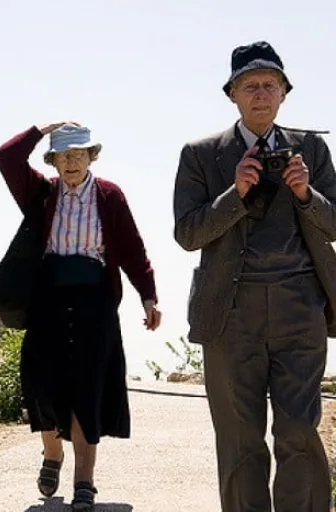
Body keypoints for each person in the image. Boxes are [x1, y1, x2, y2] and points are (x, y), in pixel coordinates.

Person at [173, 40, 336, 512]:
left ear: (284, 93)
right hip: (230, 315)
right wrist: (235, 193)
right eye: (250, 86)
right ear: (233, 95)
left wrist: (307, 194)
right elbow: (187, 234)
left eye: (269, 85)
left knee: (299, 432)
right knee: (240, 440)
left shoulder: (311, 149)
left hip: (300, 309)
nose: (260, 94)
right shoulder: (201, 155)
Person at [0, 122, 161, 510]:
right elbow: (6, 158)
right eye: (63, 156)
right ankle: (52, 453)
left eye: (79, 154)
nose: (71, 163)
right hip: (48, 299)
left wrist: (148, 296)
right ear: (52, 161)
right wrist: (42, 131)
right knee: (44, 382)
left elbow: (132, 248)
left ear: (91, 157)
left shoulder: (109, 196)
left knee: (88, 387)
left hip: (95, 300)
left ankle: (84, 482)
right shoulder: (42, 193)